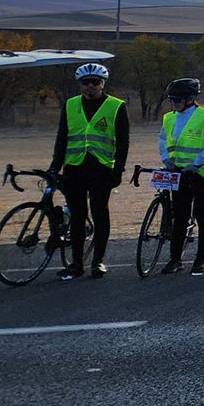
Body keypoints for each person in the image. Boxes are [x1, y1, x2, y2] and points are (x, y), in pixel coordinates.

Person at [48, 62, 129, 280]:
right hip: (74, 167)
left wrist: (118, 170)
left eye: (96, 82)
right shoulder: (70, 105)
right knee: (77, 217)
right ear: (80, 85)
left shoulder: (116, 106)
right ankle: (76, 263)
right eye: (86, 83)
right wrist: (55, 165)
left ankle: (98, 261)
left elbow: (123, 142)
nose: (90, 86)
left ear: (103, 84)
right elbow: (62, 137)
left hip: (101, 168)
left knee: (99, 213)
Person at [158, 77, 204, 275]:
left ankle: (200, 259)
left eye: (177, 99)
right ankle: (175, 259)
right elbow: (162, 139)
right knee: (180, 216)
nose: (173, 103)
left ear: (190, 99)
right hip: (179, 172)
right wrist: (166, 159)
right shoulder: (169, 118)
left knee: (203, 215)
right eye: (171, 99)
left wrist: (195, 164)